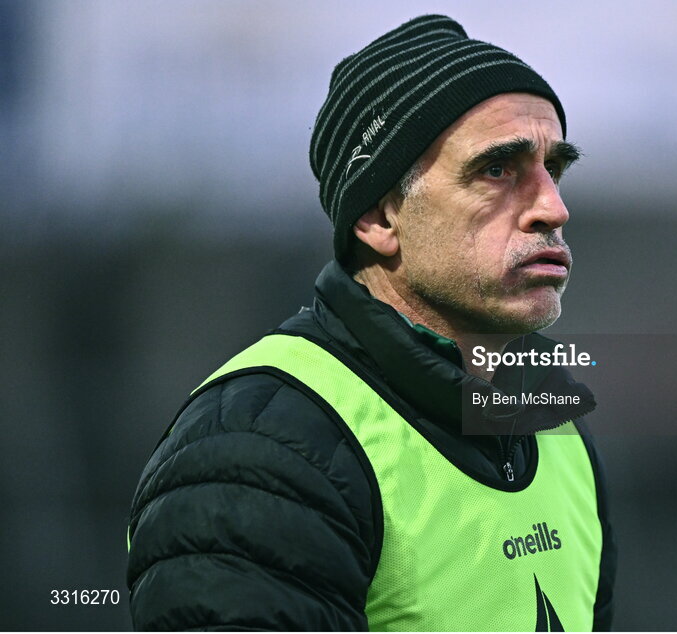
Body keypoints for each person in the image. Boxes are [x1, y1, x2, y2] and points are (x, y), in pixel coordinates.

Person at [126, 14, 615, 631]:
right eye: (498, 170)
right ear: (381, 218)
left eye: (554, 169)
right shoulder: (256, 449)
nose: (553, 207)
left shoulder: (554, 424)